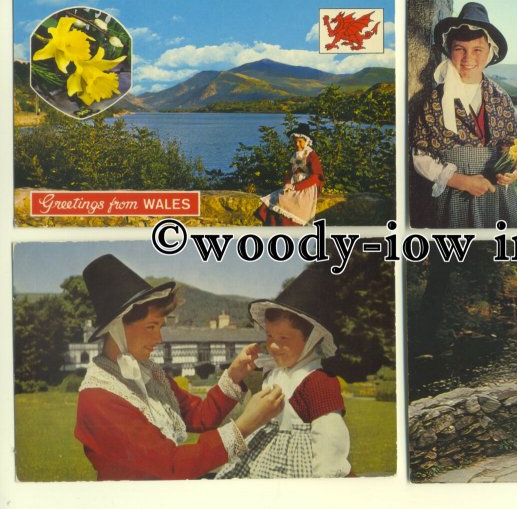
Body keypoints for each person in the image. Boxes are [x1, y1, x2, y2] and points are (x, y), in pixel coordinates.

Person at [74, 254, 285, 480]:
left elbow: (197, 416)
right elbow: (170, 465)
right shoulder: (98, 399)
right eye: (151, 327)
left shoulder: (149, 374)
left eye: (160, 327)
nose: (160, 338)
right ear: (118, 328)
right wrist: (243, 427)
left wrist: (233, 376)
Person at [217, 267, 351, 478]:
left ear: (311, 340)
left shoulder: (316, 382)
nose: (273, 346)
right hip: (265, 456)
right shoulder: (274, 373)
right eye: (270, 336)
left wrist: (327, 481)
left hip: (298, 466)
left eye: (284, 339)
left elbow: (330, 437)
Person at [411, 2, 517, 228]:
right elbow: (420, 155)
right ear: (449, 50)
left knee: (498, 256)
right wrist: (461, 181)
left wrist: (514, 172)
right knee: (458, 258)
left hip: (496, 197)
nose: (468, 57)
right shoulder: (436, 99)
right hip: (455, 196)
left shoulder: (500, 97)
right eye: (460, 49)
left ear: (489, 53)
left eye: (477, 50)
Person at [257, 123, 324, 226]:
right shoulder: (295, 155)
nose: (297, 144)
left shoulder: (311, 155)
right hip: (294, 185)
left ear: (306, 142)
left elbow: (315, 177)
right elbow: (289, 172)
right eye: (295, 142)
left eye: (300, 142)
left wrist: (296, 187)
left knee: (286, 201)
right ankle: (275, 226)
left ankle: (288, 226)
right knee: (276, 197)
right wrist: (287, 183)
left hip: (307, 187)